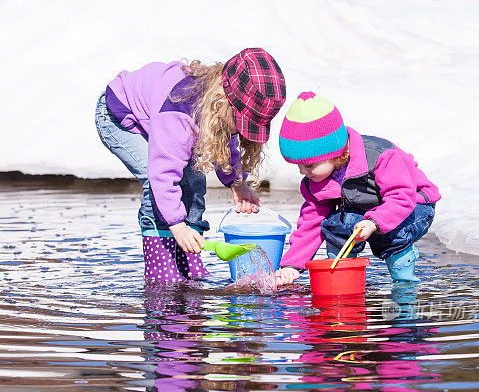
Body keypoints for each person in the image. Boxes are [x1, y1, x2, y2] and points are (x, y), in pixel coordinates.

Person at [95, 48, 286, 281]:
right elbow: (162, 175)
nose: (243, 132)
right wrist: (177, 226)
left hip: (163, 119)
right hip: (119, 116)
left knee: (194, 180)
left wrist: (238, 185)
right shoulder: (179, 114)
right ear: (223, 103)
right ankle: (161, 264)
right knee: (154, 182)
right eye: (243, 123)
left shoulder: (217, 112)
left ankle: (189, 255)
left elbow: (226, 148)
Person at [275, 92, 441, 287]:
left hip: (414, 205)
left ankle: (404, 282)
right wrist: (292, 266)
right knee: (337, 224)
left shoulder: (380, 156)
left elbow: (402, 197)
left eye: (309, 165)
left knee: (390, 234)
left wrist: (374, 223)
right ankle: (344, 278)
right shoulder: (319, 177)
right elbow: (310, 222)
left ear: (334, 153)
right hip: (366, 208)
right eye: (298, 166)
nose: (303, 172)